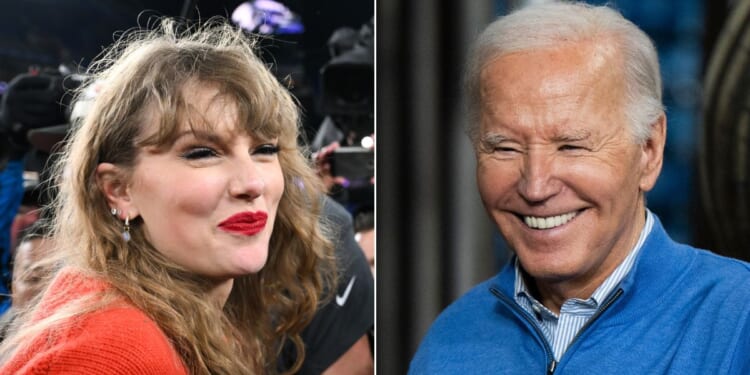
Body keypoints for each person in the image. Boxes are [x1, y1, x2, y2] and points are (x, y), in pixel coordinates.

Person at [409, 2, 750, 374]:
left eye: (571, 145)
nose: (536, 186)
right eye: (505, 147)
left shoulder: (738, 321)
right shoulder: (449, 343)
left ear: (649, 150)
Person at [0, 17, 335, 374]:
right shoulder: (109, 350)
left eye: (265, 148)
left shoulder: (153, 319)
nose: (252, 182)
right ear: (119, 190)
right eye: (202, 153)